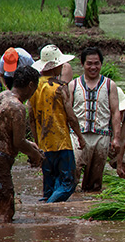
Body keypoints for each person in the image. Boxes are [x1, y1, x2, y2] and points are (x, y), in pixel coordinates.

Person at [0, 66, 44, 222]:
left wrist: (30, 144)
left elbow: (3, 131)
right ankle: (2, 239)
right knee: (6, 208)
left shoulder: (4, 95)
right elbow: (18, 142)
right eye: (35, 87)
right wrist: (35, 155)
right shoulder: (18, 107)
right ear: (31, 85)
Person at [28, 45, 85, 203]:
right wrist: (80, 137)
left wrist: (37, 142)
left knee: (49, 185)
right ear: (57, 65)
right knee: (69, 183)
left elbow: (31, 118)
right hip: (61, 143)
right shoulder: (60, 88)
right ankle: (48, 207)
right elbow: (71, 117)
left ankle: (46, 218)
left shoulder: (33, 88)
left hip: (44, 144)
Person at [68, 47, 122, 193]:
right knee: (73, 172)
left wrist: (116, 138)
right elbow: (67, 112)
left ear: (101, 64)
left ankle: (90, 204)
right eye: (89, 63)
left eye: (97, 63)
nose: (93, 67)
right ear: (82, 64)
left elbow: (115, 113)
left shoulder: (110, 85)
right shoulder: (73, 85)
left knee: (95, 179)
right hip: (78, 136)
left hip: (102, 136)